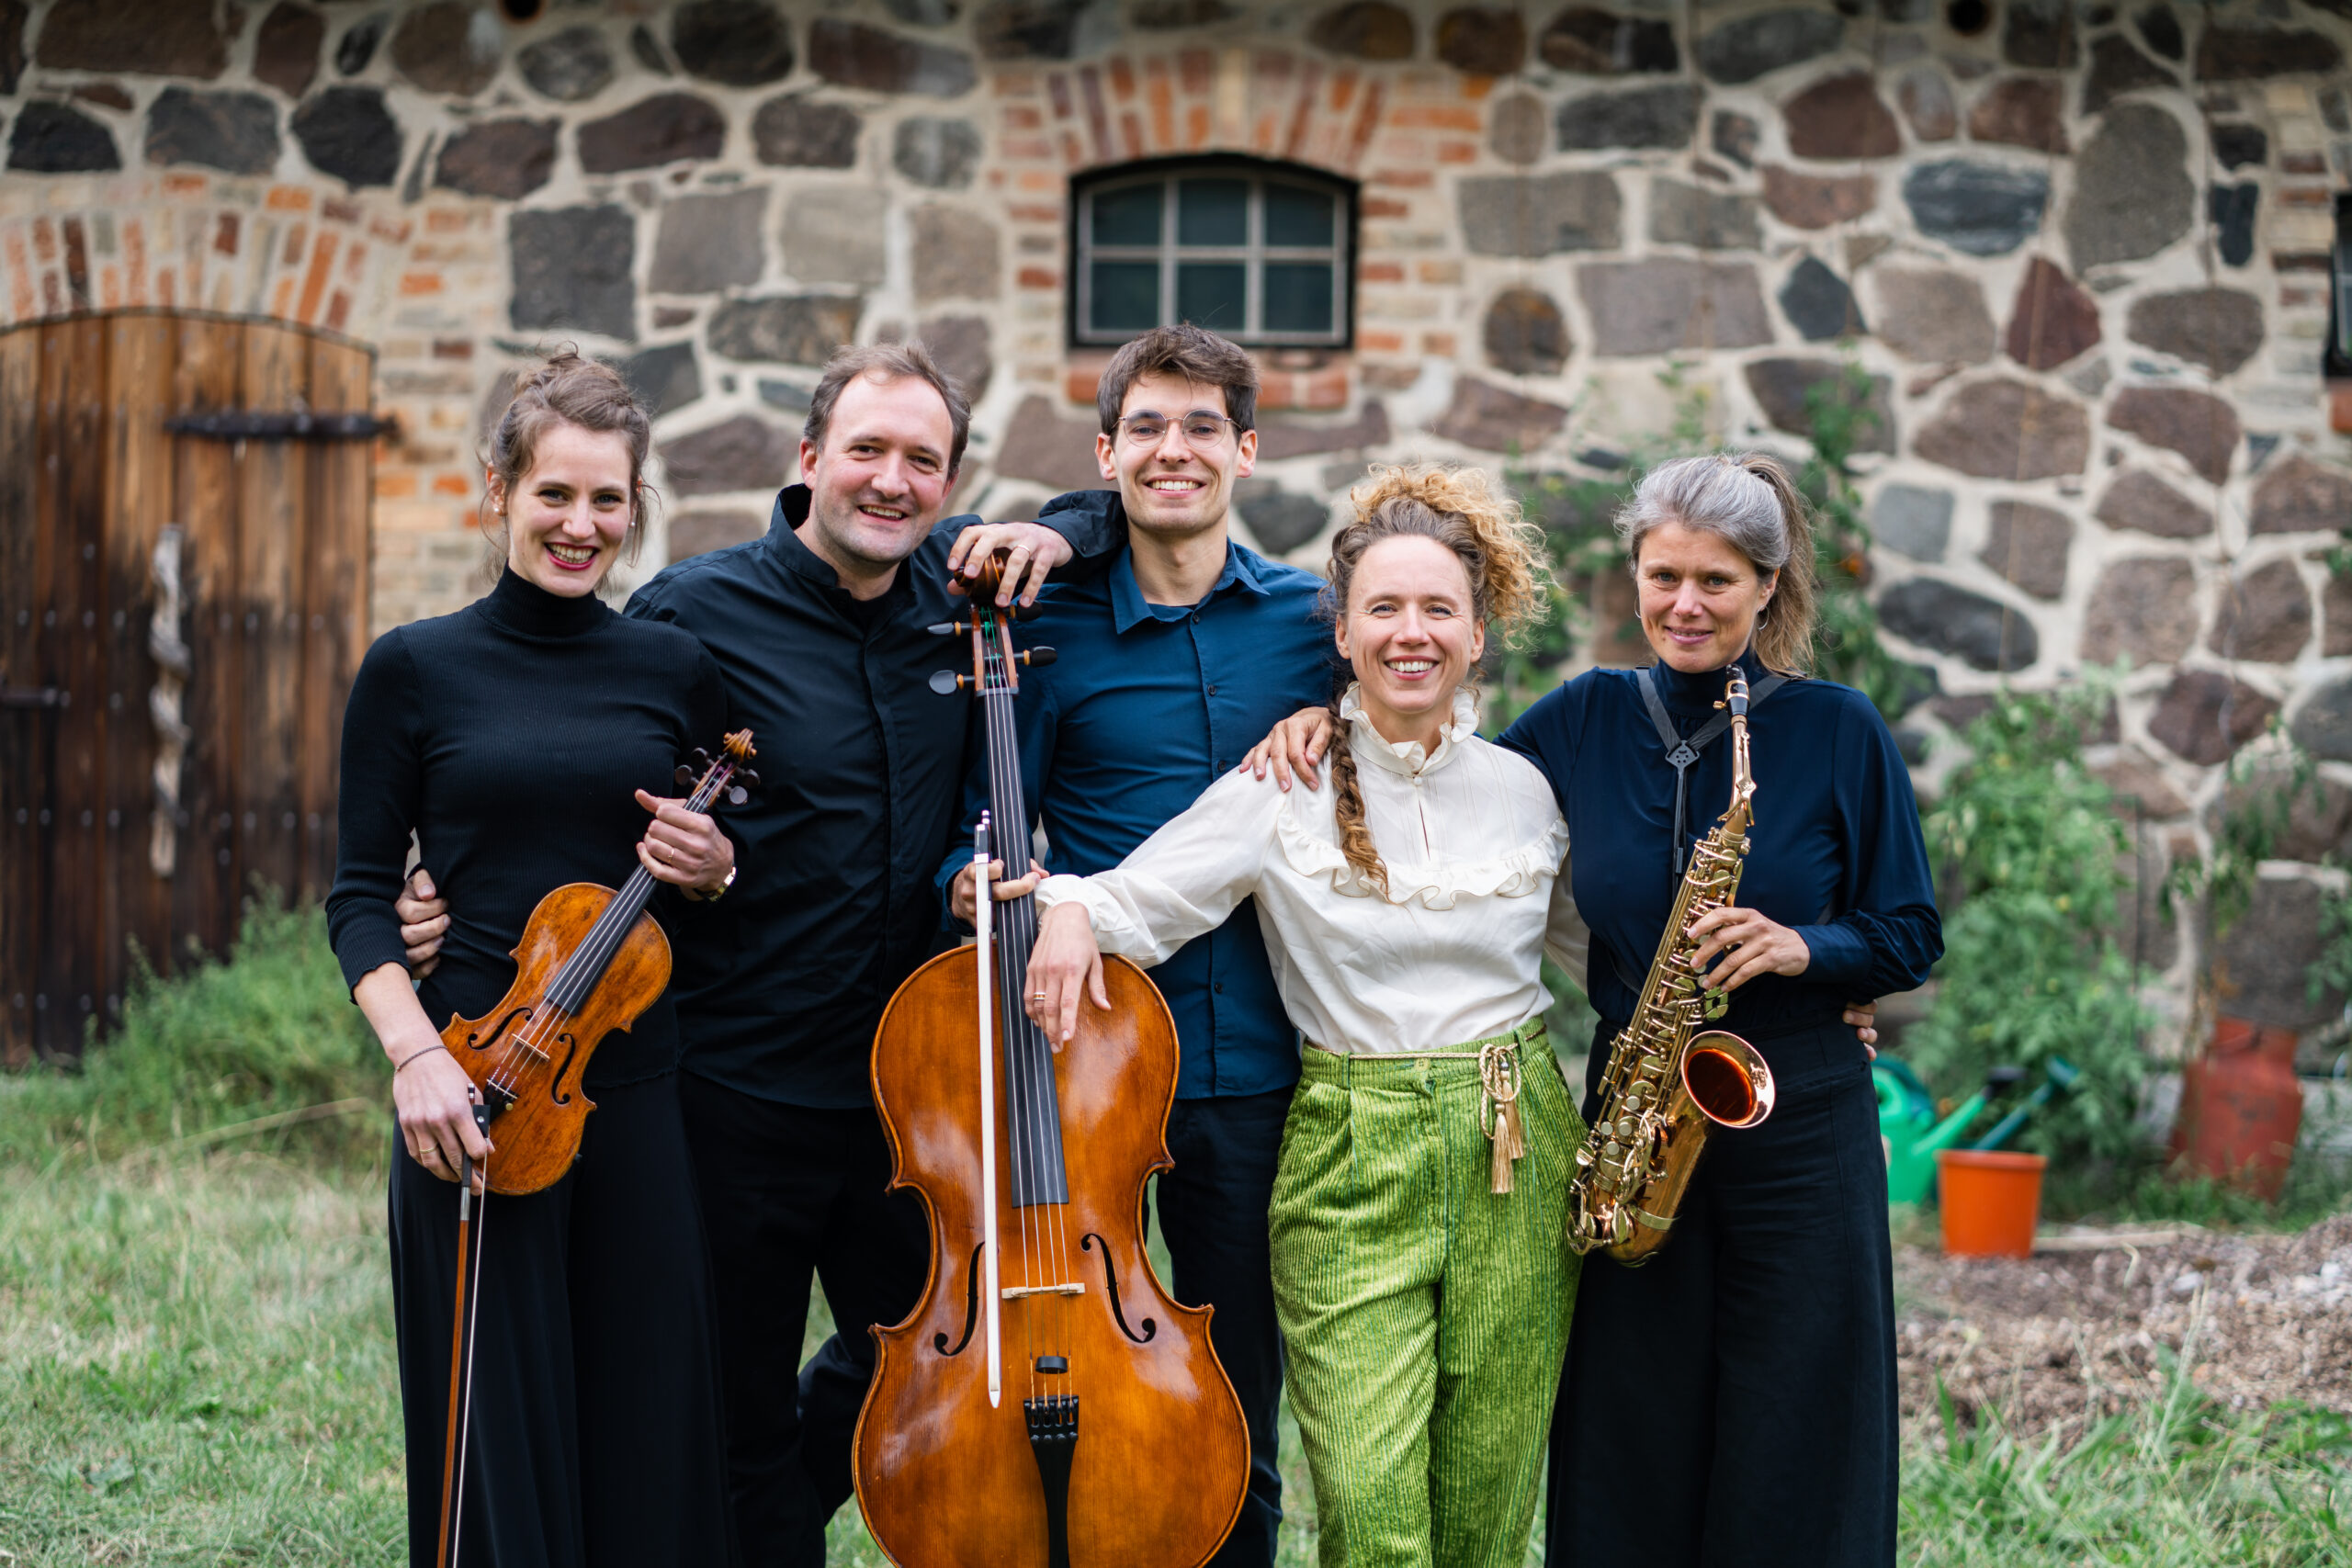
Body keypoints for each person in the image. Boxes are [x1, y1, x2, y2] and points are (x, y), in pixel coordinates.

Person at [398, 342, 1121, 1566]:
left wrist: (1061, 526)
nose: (890, 480)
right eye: (866, 450)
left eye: (922, 460)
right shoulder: (692, 614)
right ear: (808, 458)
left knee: (932, 1358)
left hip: (913, 1099)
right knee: (729, 1405)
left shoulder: (967, 594)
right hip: (734, 1092)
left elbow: (1115, 515)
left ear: (951, 483)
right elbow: (587, 781)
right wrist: (441, 895)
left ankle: (787, 1511)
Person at [1243, 452, 1923, 1568]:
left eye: (1715, 581)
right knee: (1630, 1431)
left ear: (1767, 586)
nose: (1685, 604)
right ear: (1634, 576)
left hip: (1798, 1120)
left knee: (1799, 1429)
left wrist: (1806, 950)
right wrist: (1327, 733)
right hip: (1635, 1123)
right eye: (1664, 577)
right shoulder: (1582, 717)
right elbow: (1439, 787)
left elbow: (1908, 930)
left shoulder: (1838, 727)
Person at [1021, 464, 1589, 1568]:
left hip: (1517, 1142)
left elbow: (1599, 956)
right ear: (1341, 632)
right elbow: (1141, 898)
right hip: (1347, 1154)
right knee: (1372, 1515)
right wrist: (1066, 912)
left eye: (1438, 610)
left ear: (1477, 634)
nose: (1411, 633)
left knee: (1486, 1510)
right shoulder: (1281, 783)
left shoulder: (1526, 791)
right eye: (1384, 608)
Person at [327, 352, 735, 1567]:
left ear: (636, 505)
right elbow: (357, 897)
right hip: (471, 1088)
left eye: (608, 499)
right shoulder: (413, 666)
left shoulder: (671, 666)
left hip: (633, 1088)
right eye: (555, 493)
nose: (581, 524)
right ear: (498, 489)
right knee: (490, 1431)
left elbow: (724, 869)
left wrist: (716, 863)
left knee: (645, 1419)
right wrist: (415, 1058)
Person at [938, 323, 1337, 1565]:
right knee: (1071, 1368)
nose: (1176, 450)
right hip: (1084, 1059)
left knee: (1234, 1390)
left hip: (1257, 1056)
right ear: (1106, 456)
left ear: (1246, 450)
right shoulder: (1041, 622)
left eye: (1203, 426)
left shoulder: (1312, 623)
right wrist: (969, 884)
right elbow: (981, 819)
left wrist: (1336, 720)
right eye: (1147, 428)